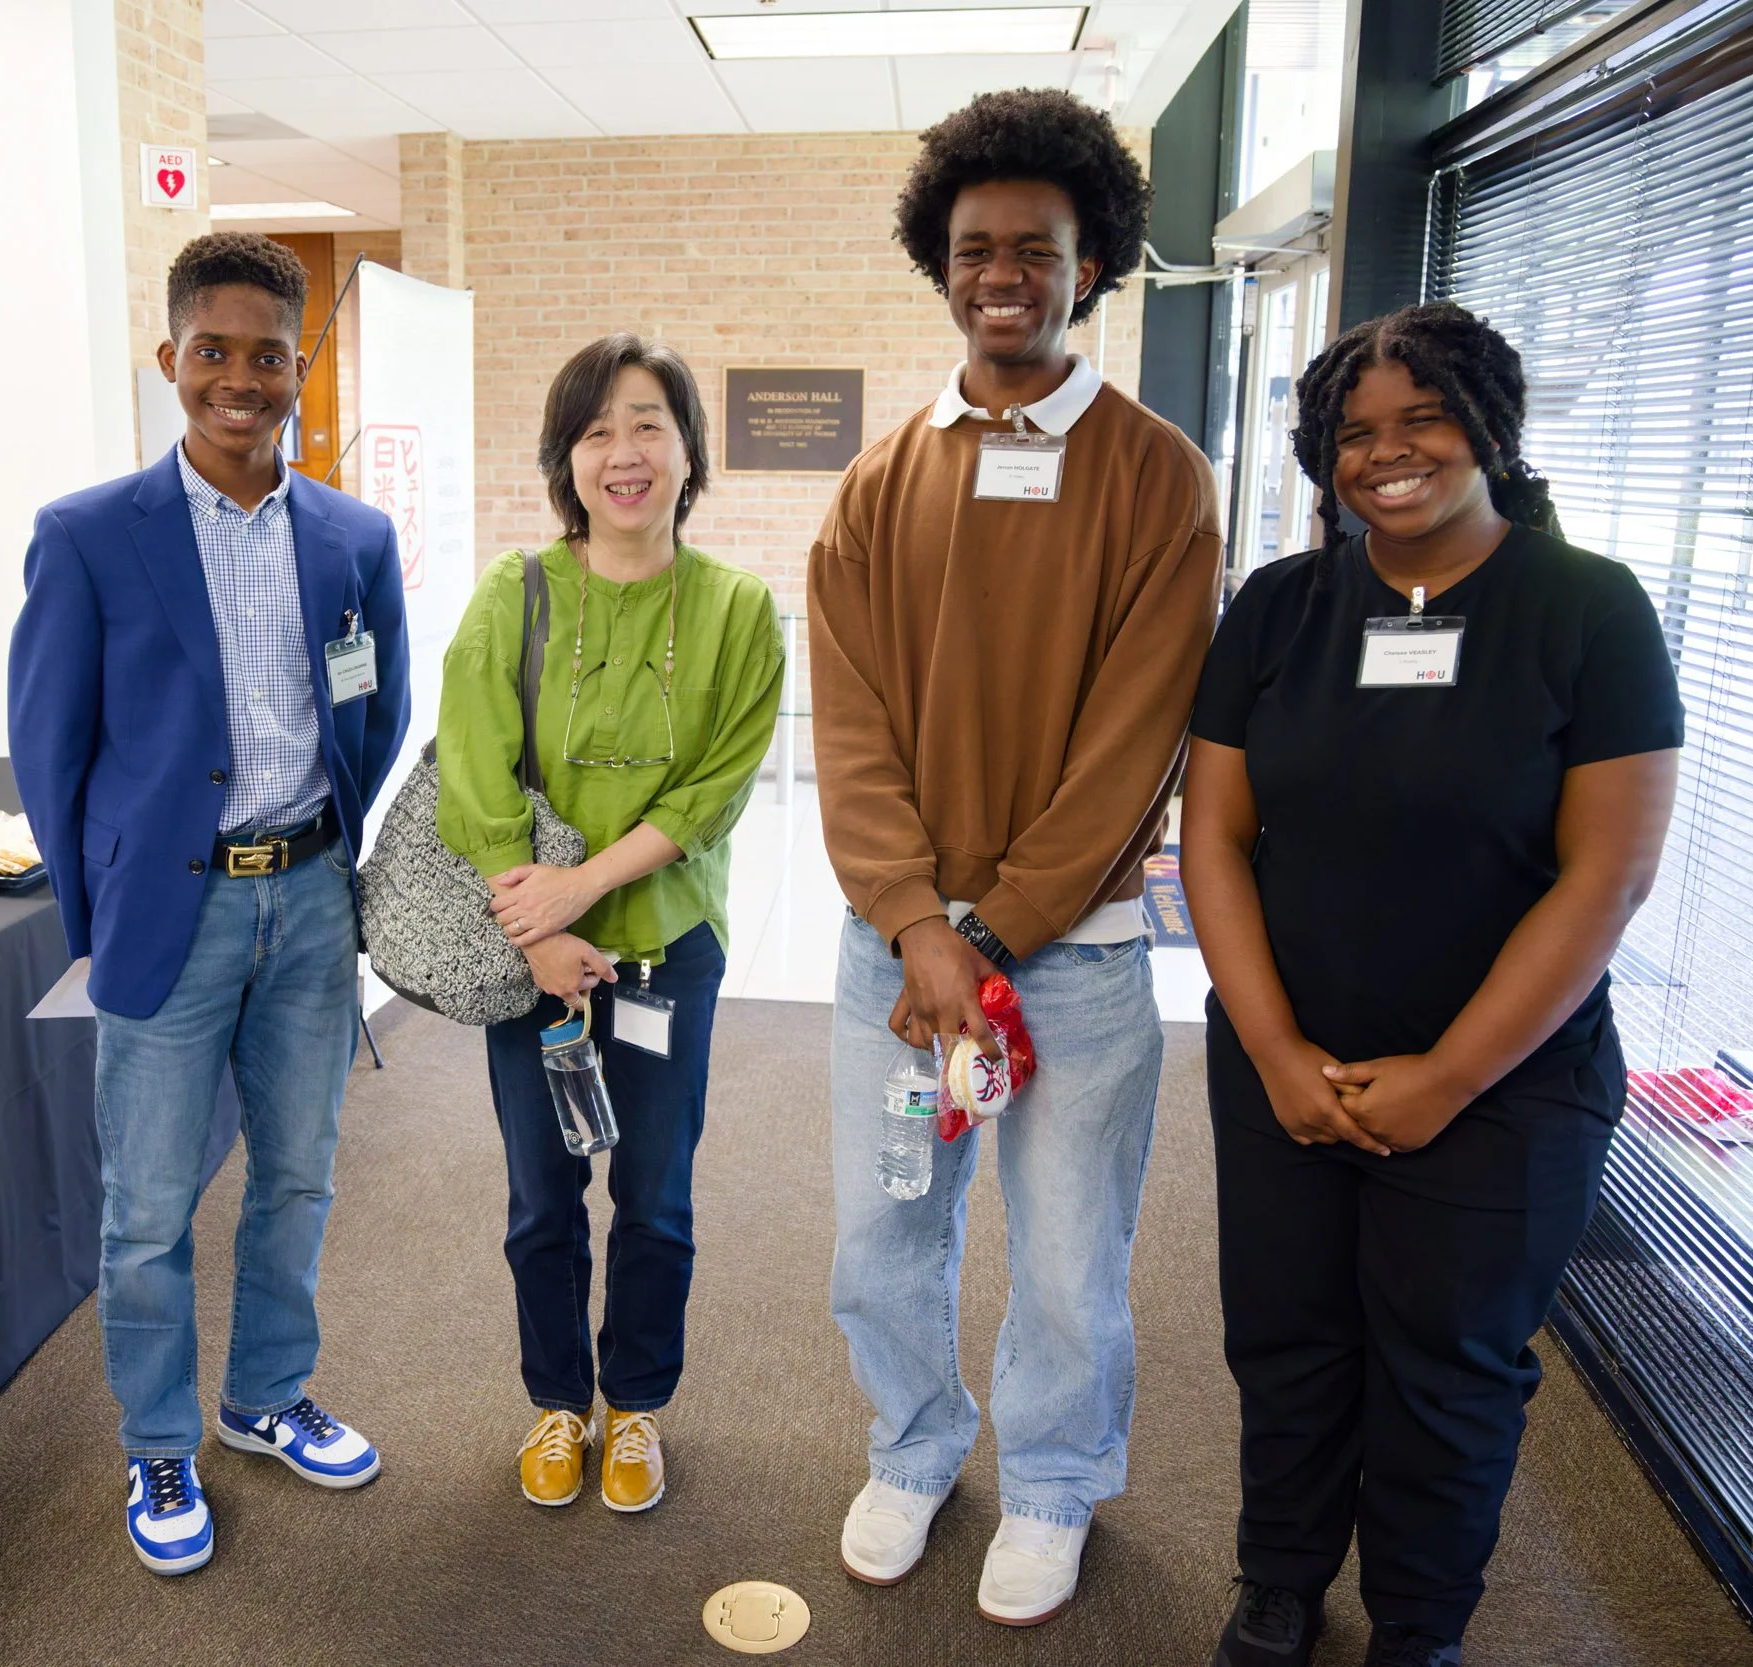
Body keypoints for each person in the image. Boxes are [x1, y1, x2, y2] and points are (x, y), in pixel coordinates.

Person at [1183, 303, 1682, 1667]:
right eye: (1354, 433)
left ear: (1489, 424)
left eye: (1423, 418)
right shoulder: (1282, 607)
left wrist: (1450, 1075)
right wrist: (1276, 1048)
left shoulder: (1586, 608)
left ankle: (1419, 1624)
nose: (1386, 454)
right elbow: (1213, 836)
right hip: (1287, 1057)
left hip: (1506, 1086)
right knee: (1286, 1335)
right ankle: (1280, 1576)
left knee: (1448, 1364)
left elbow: (1605, 878)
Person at [811, 88, 1224, 1627]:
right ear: (942, 263)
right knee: (885, 1230)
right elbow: (848, 736)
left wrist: (989, 936)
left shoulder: (1157, 478)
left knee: (1065, 1261)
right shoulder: (875, 484)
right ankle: (915, 1444)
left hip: (1080, 961)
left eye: (1037, 250)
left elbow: (1136, 746)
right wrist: (920, 923)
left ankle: (1052, 1483)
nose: (1004, 274)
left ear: (1092, 263)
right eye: (975, 247)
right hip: (897, 968)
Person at [8, 231, 410, 1576]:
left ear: (303, 366)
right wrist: (101, 911)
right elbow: (48, 748)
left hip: (306, 902)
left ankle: (264, 1395)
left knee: (298, 1172)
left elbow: (376, 707)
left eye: (267, 356)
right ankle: (162, 1435)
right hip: (168, 917)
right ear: (173, 357)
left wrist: (330, 859)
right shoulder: (86, 537)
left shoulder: (355, 537)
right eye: (212, 352)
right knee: (149, 1202)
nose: (239, 379)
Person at [436, 333, 781, 1515]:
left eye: (648, 425)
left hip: (665, 950)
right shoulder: (513, 596)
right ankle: (555, 1402)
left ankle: (634, 1407)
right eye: (596, 431)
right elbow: (474, 780)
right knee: (541, 1195)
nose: (623, 454)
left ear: (689, 451)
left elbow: (712, 792)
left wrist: (583, 889)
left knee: (655, 1190)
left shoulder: (738, 609)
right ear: (563, 459)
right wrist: (538, 927)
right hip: (529, 949)